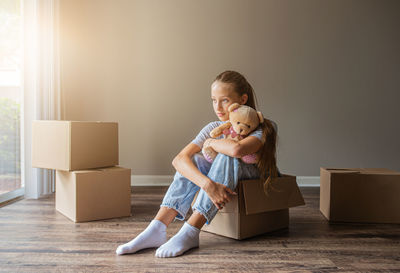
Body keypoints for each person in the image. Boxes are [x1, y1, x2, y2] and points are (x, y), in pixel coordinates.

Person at [116, 70, 279, 258]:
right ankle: (157, 228)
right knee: (195, 160)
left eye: (224, 100)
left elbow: (237, 150)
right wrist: (207, 185)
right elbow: (179, 159)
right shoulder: (213, 128)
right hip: (222, 183)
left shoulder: (261, 126)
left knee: (226, 154)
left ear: (242, 100)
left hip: (255, 180)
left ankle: (191, 230)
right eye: (213, 100)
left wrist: (210, 143)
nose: (218, 107)